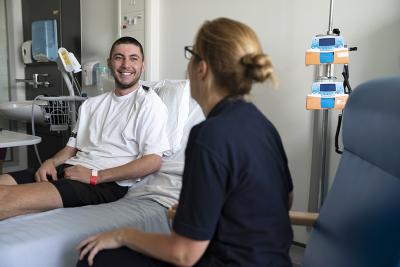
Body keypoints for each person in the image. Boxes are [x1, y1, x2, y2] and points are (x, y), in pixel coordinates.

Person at [77, 17, 294, 267]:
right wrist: (207, 208)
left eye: (190, 55)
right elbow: (283, 200)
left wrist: (122, 234)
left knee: (93, 256)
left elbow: (183, 254)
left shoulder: (209, 135)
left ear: (202, 68)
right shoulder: (262, 124)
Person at [0, 36, 170, 220]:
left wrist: (95, 176)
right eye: (119, 57)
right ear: (110, 63)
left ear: (143, 65)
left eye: (133, 58)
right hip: (70, 169)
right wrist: (51, 162)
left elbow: (153, 160)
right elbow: (72, 148)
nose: (125, 64)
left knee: (4, 199)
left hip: (102, 183)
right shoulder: (92, 105)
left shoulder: (149, 104)